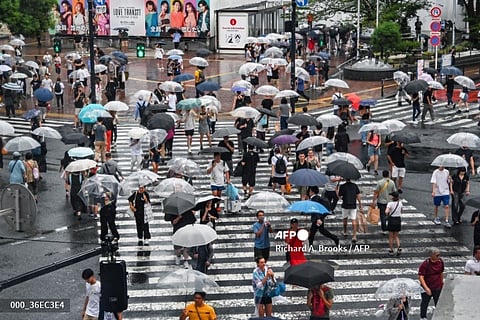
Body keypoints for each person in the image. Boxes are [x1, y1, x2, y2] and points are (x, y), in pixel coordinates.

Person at [418, 247, 444, 320]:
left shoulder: (441, 262)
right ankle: (423, 317)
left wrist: (442, 282)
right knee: (425, 303)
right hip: (428, 287)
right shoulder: (425, 264)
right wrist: (426, 288)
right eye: (437, 255)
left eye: (439, 255)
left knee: (438, 303)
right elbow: (421, 277)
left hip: (437, 287)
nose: (439, 257)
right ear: (431, 255)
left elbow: (441, 272)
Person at [371, 170, 397, 235]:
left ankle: (384, 229)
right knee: (389, 214)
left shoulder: (379, 182)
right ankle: (390, 227)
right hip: (390, 202)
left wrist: (373, 201)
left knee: (382, 215)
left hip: (381, 201)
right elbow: (395, 192)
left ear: (382, 175)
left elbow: (376, 193)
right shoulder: (392, 182)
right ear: (388, 175)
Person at [338, 178, 362, 243]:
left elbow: (339, 196)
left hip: (345, 205)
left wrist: (336, 190)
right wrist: (360, 204)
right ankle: (354, 236)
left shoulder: (342, 186)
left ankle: (345, 231)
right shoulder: (354, 185)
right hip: (353, 205)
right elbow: (358, 195)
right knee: (353, 220)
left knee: (345, 219)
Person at [385, 191, 403, 256]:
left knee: (390, 236)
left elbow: (386, 211)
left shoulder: (390, 204)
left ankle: (391, 250)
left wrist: (387, 213)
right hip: (398, 219)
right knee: (396, 236)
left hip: (392, 220)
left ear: (393, 197)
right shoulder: (400, 203)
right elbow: (401, 211)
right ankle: (399, 247)